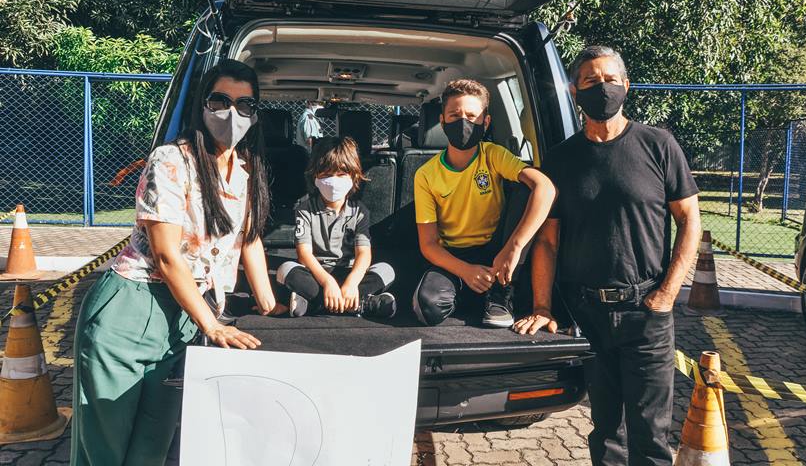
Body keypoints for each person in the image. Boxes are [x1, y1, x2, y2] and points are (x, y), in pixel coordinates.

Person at [71, 60, 284, 466]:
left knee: (154, 445)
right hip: (134, 309)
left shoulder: (245, 170)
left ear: (255, 115)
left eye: (244, 105)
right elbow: (167, 257)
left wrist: (269, 306)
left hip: (188, 316)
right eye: (220, 100)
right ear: (202, 106)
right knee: (105, 450)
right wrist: (213, 325)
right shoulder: (171, 160)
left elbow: (249, 239)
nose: (231, 113)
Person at [514, 46, 701, 466]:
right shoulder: (562, 158)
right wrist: (542, 305)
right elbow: (547, 240)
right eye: (591, 81)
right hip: (588, 315)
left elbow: (690, 221)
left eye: (611, 79)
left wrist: (667, 295)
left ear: (626, 85)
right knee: (605, 435)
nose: (603, 88)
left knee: (650, 437)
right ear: (574, 90)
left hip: (646, 312)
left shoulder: (658, 145)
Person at [412, 79, 556, 328]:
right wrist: (465, 271)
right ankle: (471, 288)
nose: (463, 121)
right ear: (443, 120)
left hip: (497, 249)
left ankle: (501, 291)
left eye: (471, 115)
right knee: (428, 308)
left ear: (485, 122)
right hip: (454, 255)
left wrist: (514, 247)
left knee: (527, 189)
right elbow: (428, 245)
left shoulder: (493, 155)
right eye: (454, 115)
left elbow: (546, 187)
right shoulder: (426, 174)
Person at [277, 136, 397, 318]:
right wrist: (327, 283)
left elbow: (364, 254)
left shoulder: (359, 211)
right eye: (326, 175)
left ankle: (313, 305)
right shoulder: (305, 209)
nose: (333, 181)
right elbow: (304, 254)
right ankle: (362, 305)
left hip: (349, 273)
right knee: (286, 270)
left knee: (386, 270)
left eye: (341, 174)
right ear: (315, 176)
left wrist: (351, 283)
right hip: (318, 274)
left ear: (354, 176)